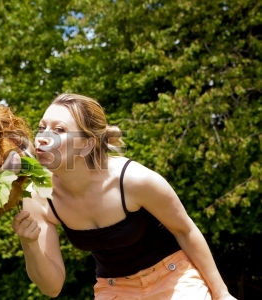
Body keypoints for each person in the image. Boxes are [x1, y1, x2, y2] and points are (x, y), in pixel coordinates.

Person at [12, 93, 236, 299]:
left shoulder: (133, 180)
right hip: (114, 288)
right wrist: (30, 244)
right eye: (42, 128)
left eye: (59, 130)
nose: (42, 137)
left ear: (87, 145)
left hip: (174, 277)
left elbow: (185, 231)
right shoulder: (39, 195)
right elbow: (52, 287)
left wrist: (222, 294)